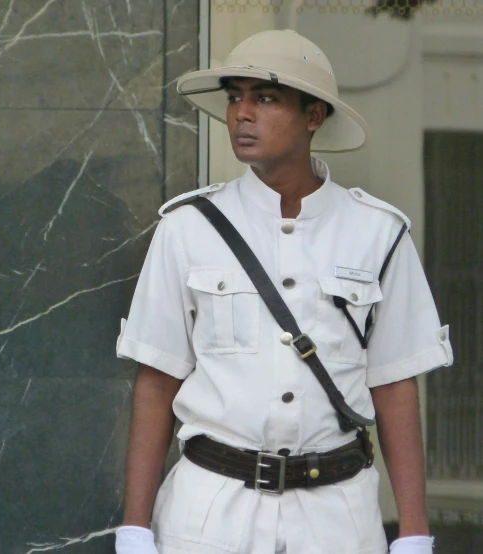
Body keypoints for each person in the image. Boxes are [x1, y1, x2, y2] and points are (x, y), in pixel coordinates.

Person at [114, 30, 453, 554]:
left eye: (265, 98)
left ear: (314, 116)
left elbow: (395, 386)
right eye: (234, 97)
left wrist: (413, 534)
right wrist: (134, 529)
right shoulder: (187, 229)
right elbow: (157, 381)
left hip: (336, 519)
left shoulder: (379, 234)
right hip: (209, 515)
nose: (242, 114)